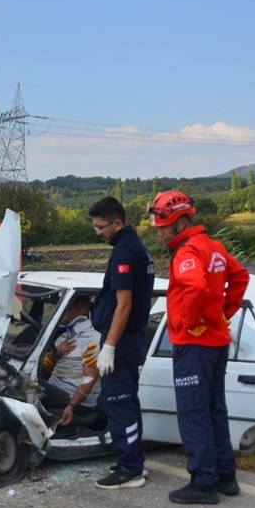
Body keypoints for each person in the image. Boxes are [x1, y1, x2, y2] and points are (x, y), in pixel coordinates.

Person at [148, 190, 250, 505]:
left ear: (180, 221)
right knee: (215, 409)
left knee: (193, 412)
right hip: (216, 342)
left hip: (194, 344)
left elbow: (194, 287)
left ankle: (203, 483)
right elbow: (241, 277)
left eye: (163, 225)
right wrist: (222, 314)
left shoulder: (188, 252)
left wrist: (188, 322)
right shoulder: (214, 247)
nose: (160, 231)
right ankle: (225, 476)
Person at [88, 196, 155, 489]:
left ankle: (130, 470)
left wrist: (109, 346)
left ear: (117, 223)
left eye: (101, 227)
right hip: (130, 338)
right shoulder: (133, 247)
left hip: (123, 339)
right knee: (128, 401)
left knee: (118, 402)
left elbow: (123, 305)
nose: (98, 233)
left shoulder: (125, 252)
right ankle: (133, 460)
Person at [40, 294, 102, 428]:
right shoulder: (62, 337)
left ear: (82, 311)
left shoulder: (94, 340)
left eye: (68, 309)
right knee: (29, 383)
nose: (62, 313)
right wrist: (55, 354)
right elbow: (45, 371)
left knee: (32, 386)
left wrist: (71, 406)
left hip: (76, 402)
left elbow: (89, 379)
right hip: (56, 391)